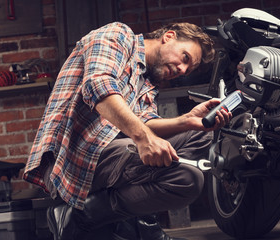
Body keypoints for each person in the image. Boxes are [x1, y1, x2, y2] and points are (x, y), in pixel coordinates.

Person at [23, 21, 231, 240]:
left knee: (203, 133)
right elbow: (97, 85)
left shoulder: (149, 82)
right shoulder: (119, 35)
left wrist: (187, 121)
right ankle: (78, 217)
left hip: (110, 154)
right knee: (187, 179)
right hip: (75, 157)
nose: (182, 70)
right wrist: (142, 138)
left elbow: (146, 123)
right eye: (185, 57)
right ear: (169, 36)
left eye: (188, 69)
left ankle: (117, 219)